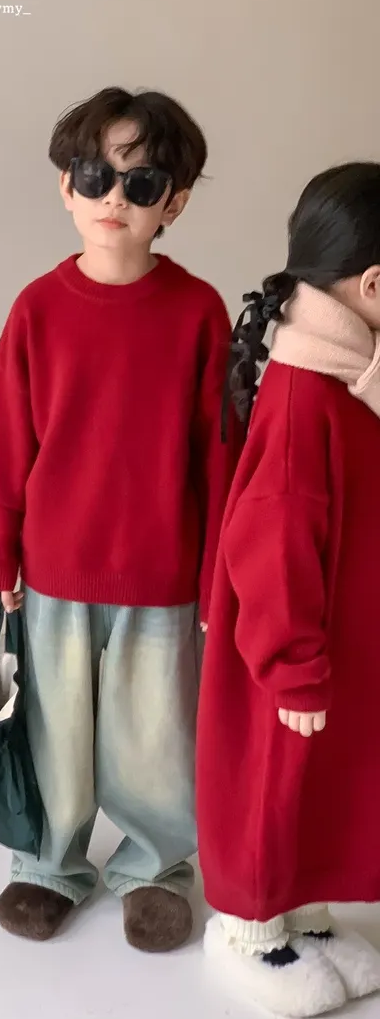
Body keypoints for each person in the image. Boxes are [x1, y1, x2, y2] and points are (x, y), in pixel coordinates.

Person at [0, 87, 240, 952]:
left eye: (141, 181)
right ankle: (49, 863)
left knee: (155, 737)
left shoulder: (199, 313)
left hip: (162, 573)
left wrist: (217, 581)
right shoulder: (37, 309)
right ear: (66, 186)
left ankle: (155, 868)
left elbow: (218, 459)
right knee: (55, 729)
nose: (114, 197)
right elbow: (6, 441)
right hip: (54, 569)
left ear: (175, 203)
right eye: (95, 175)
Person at [197, 162, 380, 1017]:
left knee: (318, 788)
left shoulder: (348, 378)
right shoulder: (310, 397)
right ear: (373, 285)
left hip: (334, 636)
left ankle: (305, 915)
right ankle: (250, 929)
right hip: (288, 650)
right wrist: (293, 666)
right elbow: (269, 545)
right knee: (271, 787)